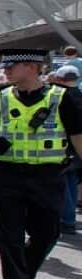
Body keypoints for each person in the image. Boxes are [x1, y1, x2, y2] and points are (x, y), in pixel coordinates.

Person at [0, 48, 82, 279]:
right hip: (8, 174)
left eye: (13, 66)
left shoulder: (64, 98)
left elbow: (78, 137)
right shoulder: (3, 97)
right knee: (9, 235)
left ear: (33, 67)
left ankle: (25, 272)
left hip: (48, 175)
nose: (6, 70)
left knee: (48, 232)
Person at [55, 66, 82, 235]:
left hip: (64, 147)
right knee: (71, 182)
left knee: (62, 184)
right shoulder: (79, 95)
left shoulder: (60, 98)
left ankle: (66, 219)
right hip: (77, 148)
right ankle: (69, 218)